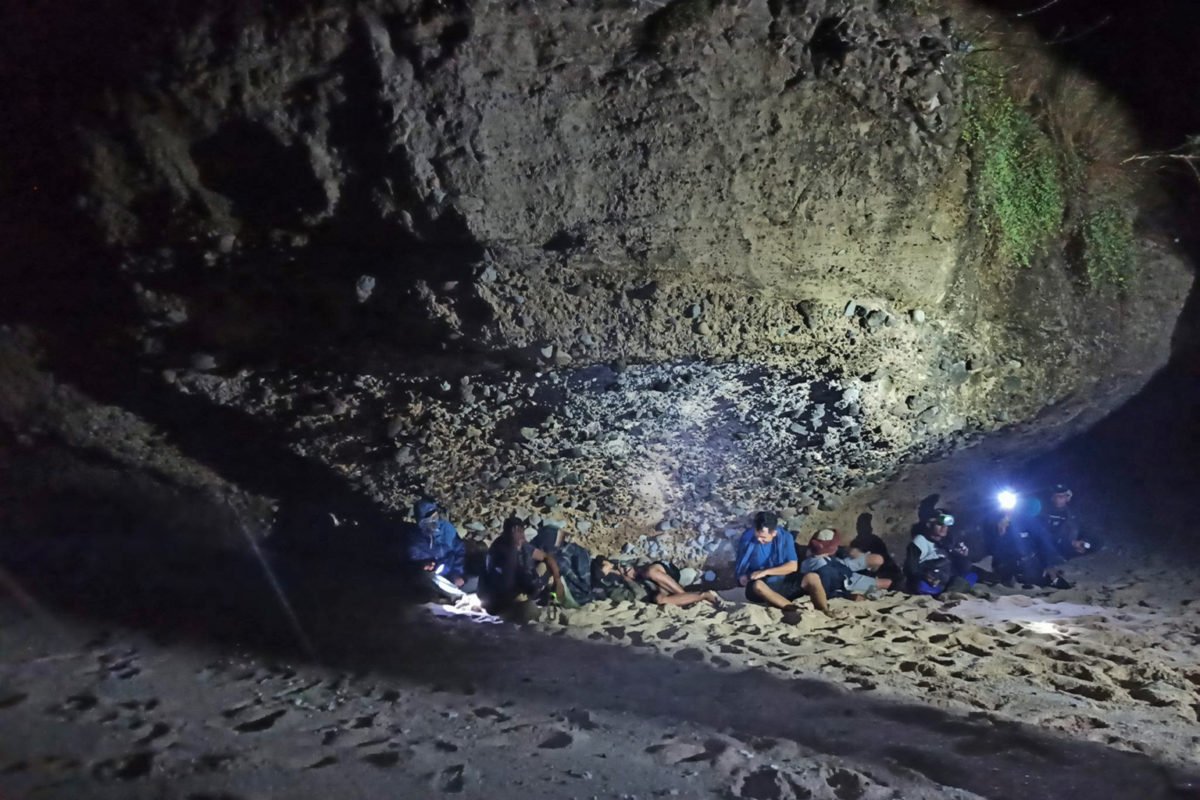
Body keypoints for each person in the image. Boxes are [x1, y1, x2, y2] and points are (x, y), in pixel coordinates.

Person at [734, 511, 813, 623]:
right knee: (758, 585)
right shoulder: (748, 537)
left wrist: (765, 572)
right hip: (760, 587)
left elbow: (792, 566)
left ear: (774, 533)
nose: (759, 540)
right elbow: (742, 566)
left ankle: (824, 611)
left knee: (812, 577)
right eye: (757, 535)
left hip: (782, 582)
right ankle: (793, 608)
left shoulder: (786, 538)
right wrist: (743, 577)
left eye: (763, 537)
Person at [479, 516, 564, 615]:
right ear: (510, 531)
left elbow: (547, 557)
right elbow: (509, 579)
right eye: (517, 531)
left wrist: (557, 581)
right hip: (502, 598)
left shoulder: (522, 545)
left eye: (521, 531)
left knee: (547, 566)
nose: (521, 535)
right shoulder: (500, 550)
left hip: (518, 588)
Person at [799, 529, 892, 613]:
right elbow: (826, 592)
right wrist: (848, 596)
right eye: (835, 544)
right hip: (846, 581)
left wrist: (849, 551)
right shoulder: (823, 570)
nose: (836, 546)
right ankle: (869, 580)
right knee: (887, 584)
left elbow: (834, 554)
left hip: (841, 565)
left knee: (877, 559)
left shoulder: (817, 552)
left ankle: (869, 575)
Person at [405, 498, 476, 597]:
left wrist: (457, 573)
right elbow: (414, 560)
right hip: (433, 577)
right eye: (430, 517)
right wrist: (424, 564)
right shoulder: (416, 537)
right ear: (422, 520)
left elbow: (460, 550)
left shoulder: (446, 528)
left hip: (452, 572)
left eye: (435, 514)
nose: (434, 519)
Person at [988, 504, 1068, 589]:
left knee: (1059, 584)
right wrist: (1000, 533)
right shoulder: (993, 521)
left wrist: (1048, 564)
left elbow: (1043, 542)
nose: (1008, 509)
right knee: (990, 578)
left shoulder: (1028, 521)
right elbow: (991, 549)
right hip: (1005, 564)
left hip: (1027, 563)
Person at [590, 557, 719, 607]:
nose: (605, 571)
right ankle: (702, 595)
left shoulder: (614, 562)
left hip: (659, 569)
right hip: (652, 583)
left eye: (604, 568)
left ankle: (685, 595)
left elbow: (640, 562)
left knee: (650, 572)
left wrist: (628, 572)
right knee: (660, 599)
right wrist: (626, 578)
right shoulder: (611, 577)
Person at [904, 510, 979, 596]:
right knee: (920, 585)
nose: (944, 528)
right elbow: (910, 568)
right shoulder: (920, 541)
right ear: (929, 524)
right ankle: (947, 593)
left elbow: (962, 568)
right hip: (929, 580)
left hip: (947, 577)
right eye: (939, 524)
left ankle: (948, 592)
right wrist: (924, 576)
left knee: (972, 575)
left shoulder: (948, 542)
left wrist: (963, 556)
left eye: (946, 525)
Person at [1038, 484, 1097, 559]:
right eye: (1056, 496)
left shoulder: (1072, 513)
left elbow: (1082, 528)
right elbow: (1043, 533)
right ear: (1052, 498)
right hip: (1051, 544)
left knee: (1095, 541)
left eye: (1062, 497)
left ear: (1067, 498)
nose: (1058, 499)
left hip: (1067, 544)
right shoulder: (1044, 511)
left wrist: (1083, 541)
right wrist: (1071, 543)